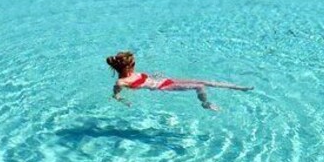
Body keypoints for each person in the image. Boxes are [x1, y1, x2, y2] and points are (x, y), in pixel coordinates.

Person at [105, 51, 252, 112]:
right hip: (162, 87)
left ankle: (238, 88)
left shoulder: (133, 73)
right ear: (129, 65)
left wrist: (156, 75)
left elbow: (148, 78)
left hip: (164, 80)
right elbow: (116, 95)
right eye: (134, 63)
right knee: (199, 86)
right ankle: (206, 104)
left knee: (204, 81)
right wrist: (125, 101)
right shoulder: (121, 82)